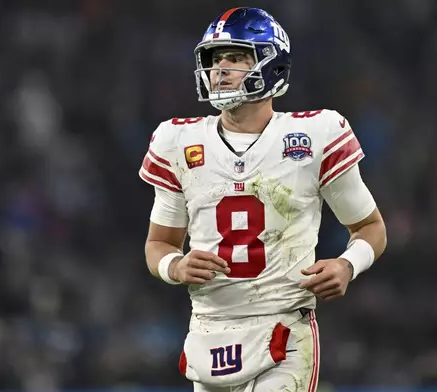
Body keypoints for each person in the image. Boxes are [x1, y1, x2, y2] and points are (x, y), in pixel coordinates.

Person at [139, 7, 387, 392]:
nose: (220, 69)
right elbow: (159, 245)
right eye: (215, 59)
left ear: (271, 63)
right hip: (209, 330)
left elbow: (371, 228)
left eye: (235, 57)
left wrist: (346, 265)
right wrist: (176, 266)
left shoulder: (314, 135)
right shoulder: (177, 142)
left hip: (283, 326)